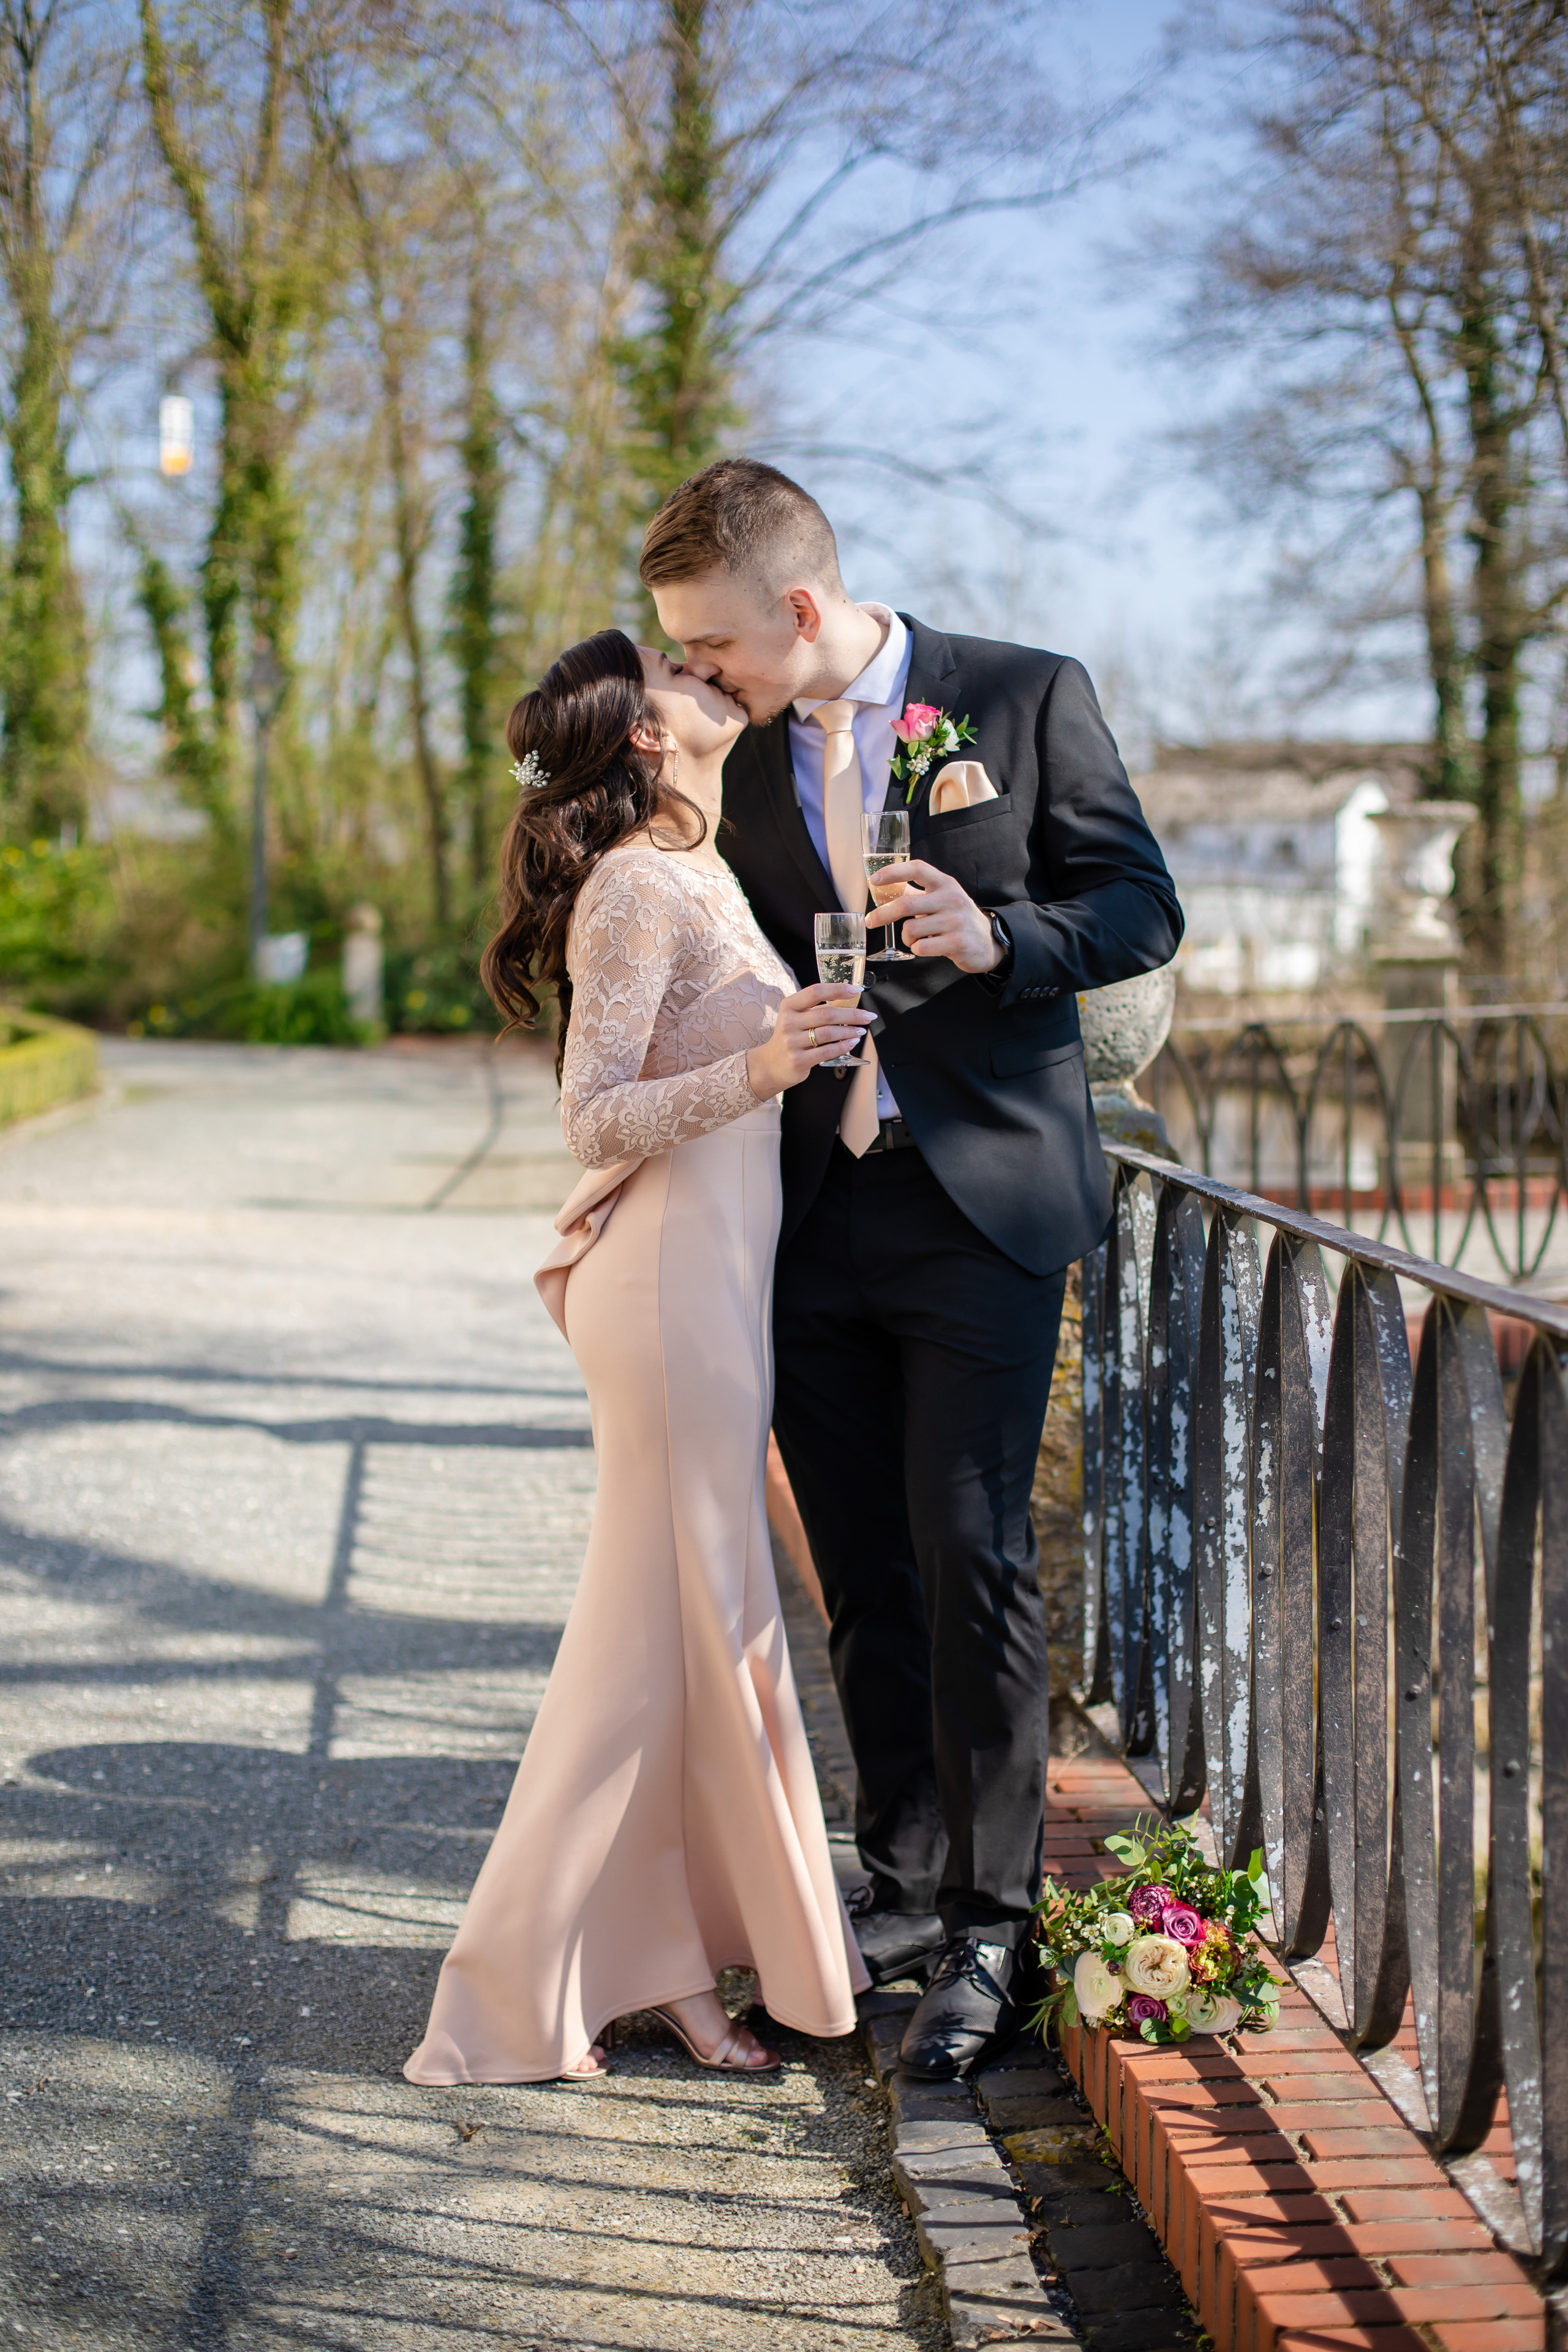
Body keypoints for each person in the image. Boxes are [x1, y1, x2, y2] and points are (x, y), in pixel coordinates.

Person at [639, 459, 1184, 2078]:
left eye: (714, 644)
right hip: (806, 1217)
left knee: (971, 1553)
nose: (697, 672)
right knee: (864, 1570)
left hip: (980, 1209)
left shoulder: (1021, 700)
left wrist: (1001, 935)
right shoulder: (724, 763)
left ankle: (997, 1930)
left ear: (801, 611)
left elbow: (1139, 906)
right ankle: (898, 1880)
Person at [404, 627, 873, 2085]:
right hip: (665, 1278)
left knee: (696, 1629)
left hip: (717, 1274)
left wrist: (786, 1050)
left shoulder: (704, 868)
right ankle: (507, 1986)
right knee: (654, 1635)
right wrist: (764, 1065)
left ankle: (662, 1964)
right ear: (648, 741)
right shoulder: (631, 886)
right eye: (674, 674)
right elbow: (593, 1115)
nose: (702, 672)